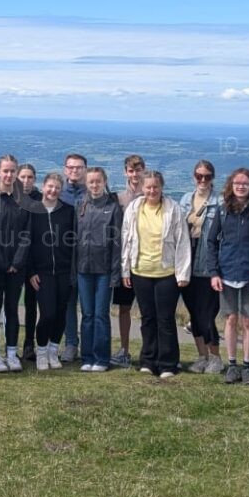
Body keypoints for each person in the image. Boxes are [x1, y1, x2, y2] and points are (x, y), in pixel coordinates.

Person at [206, 168, 249, 385]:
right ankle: (232, 365)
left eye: (245, 183)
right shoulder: (223, 210)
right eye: (237, 183)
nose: (241, 187)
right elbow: (211, 242)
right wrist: (214, 273)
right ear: (231, 185)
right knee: (230, 319)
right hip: (226, 273)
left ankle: (246, 366)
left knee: (248, 321)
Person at [120, 171, 191, 378]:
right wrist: (125, 269)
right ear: (142, 188)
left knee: (165, 319)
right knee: (147, 318)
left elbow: (182, 241)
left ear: (161, 187)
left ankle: (168, 363)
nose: (152, 190)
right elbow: (126, 238)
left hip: (166, 272)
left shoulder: (173, 209)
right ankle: (148, 361)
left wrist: (183, 273)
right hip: (140, 271)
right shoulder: (134, 208)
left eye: (155, 187)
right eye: (148, 187)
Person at [0, 154, 32, 372]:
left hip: (17, 266)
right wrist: (3, 263)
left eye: (12, 171)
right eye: (5, 171)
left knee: (12, 309)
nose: (9, 175)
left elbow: (27, 233)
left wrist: (16, 262)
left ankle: (11, 354)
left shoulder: (24, 200)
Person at [75, 167, 122, 372]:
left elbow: (117, 243)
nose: (95, 185)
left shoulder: (113, 207)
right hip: (83, 269)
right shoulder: (81, 206)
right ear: (86, 184)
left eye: (98, 181)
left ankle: (101, 359)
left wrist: (115, 273)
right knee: (87, 315)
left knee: (101, 315)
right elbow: (74, 240)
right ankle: (86, 357)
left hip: (104, 271)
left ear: (105, 182)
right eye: (91, 182)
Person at [27, 172, 76, 370]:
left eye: (57, 187)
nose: (53, 190)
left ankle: (53, 351)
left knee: (61, 313)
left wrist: (73, 269)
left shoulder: (68, 211)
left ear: (61, 190)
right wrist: (31, 271)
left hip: (64, 271)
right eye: (50, 186)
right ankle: (41, 351)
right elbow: (27, 243)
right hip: (42, 272)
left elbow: (74, 242)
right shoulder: (33, 211)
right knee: (47, 314)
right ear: (43, 186)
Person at [180, 159, 222, 374]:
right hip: (187, 260)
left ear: (212, 178)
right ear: (194, 177)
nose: (203, 180)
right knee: (194, 312)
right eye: (199, 176)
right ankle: (201, 357)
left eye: (207, 176)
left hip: (208, 263)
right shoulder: (186, 199)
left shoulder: (220, 202)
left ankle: (215, 357)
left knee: (206, 314)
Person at [111, 154, 147, 367]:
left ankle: (148, 351)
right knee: (124, 307)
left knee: (147, 310)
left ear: (144, 170)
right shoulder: (118, 199)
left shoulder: (152, 195)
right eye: (131, 170)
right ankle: (124, 350)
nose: (135, 174)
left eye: (138, 170)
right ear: (125, 172)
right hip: (124, 261)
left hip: (147, 261)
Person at [58, 152, 88, 360]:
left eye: (78, 167)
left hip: (88, 257)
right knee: (68, 304)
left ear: (85, 169)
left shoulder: (93, 192)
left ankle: (88, 344)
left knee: (87, 305)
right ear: (65, 170)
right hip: (65, 257)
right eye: (71, 167)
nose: (74, 170)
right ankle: (70, 344)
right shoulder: (59, 194)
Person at [16, 164, 42, 360]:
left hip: (35, 260)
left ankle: (29, 344)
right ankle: (11, 346)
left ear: (34, 179)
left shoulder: (41, 200)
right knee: (11, 305)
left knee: (32, 304)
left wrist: (33, 268)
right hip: (15, 259)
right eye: (23, 177)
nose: (26, 181)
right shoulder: (11, 198)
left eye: (30, 177)